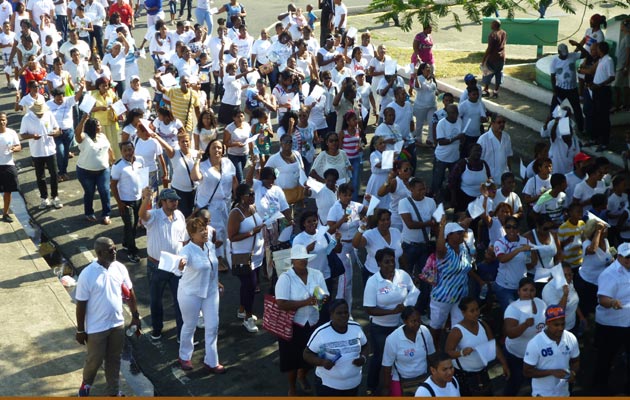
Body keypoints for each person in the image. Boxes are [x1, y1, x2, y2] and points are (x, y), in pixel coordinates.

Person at [75, 237, 141, 397]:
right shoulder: (87, 274)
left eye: (114, 248)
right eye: (110, 250)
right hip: (96, 328)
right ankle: (86, 385)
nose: (114, 252)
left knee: (114, 359)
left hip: (117, 324)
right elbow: (81, 304)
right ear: (99, 253)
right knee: (94, 360)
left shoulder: (119, 268)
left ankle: (113, 392)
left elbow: (130, 293)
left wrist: (135, 316)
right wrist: (80, 330)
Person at [363, 248, 419, 395]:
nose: (390, 264)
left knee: (397, 356)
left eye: (392, 261)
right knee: (380, 357)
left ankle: (396, 385)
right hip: (380, 328)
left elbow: (413, 291)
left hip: (400, 326)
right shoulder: (373, 282)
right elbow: (369, 309)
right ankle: (372, 386)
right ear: (379, 263)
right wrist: (391, 312)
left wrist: (405, 305)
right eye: (386, 262)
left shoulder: (403, 275)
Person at [276, 244, 329, 396]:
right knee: (292, 360)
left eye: (305, 259)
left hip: (313, 322)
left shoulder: (316, 274)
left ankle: (302, 375)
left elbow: (325, 294)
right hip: (293, 324)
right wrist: (305, 302)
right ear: (292, 261)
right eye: (299, 259)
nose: (303, 261)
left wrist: (321, 299)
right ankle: (292, 387)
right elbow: (281, 304)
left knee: (311, 355)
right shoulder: (285, 278)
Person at [176, 217, 226, 374]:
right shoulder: (186, 251)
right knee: (189, 325)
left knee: (213, 326)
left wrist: (217, 282)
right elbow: (179, 268)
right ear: (191, 234)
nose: (205, 232)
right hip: (190, 293)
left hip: (210, 292)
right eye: (200, 230)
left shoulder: (210, 245)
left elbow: (212, 266)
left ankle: (211, 361)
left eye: (205, 228)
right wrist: (181, 265)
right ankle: (184, 356)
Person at [139, 187, 186, 341]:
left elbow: (184, 239)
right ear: (163, 202)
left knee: (180, 300)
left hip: (176, 265)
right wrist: (146, 198)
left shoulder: (179, 215)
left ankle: (181, 334)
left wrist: (185, 257)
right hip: (157, 266)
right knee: (155, 300)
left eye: (176, 200)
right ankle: (157, 329)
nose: (175, 203)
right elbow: (142, 215)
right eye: (172, 200)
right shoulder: (154, 216)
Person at [429, 218, 483, 347]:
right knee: (436, 327)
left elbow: (465, 269)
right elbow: (440, 247)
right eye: (457, 233)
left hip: (460, 296)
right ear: (449, 236)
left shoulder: (463, 248)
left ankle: (455, 351)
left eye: (461, 232)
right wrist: (442, 227)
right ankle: (433, 350)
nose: (461, 234)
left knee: (459, 326)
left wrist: (479, 281)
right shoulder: (444, 251)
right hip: (443, 297)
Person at [445, 297, 509, 396]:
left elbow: (493, 345)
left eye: (477, 309)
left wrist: (504, 363)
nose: (476, 313)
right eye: (472, 311)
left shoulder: (483, 324)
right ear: (463, 312)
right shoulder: (457, 331)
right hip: (465, 377)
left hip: (482, 373)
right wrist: (461, 353)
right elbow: (448, 352)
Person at [303, 299, 369, 396]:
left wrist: (363, 358)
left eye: (346, 312)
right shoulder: (321, 332)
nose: (343, 315)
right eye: (339, 313)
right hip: (328, 386)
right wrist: (322, 362)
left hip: (353, 385)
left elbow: (366, 345)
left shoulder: (356, 328)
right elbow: (307, 354)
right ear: (331, 314)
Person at [190, 139, 238, 264]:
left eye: (219, 147)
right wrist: (197, 160)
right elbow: (195, 177)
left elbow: (234, 180)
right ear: (209, 151)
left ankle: (225, 255)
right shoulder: (203, 165)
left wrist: (237, 196)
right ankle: (216, 258)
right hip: (209, 207)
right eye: (214, 148)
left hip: (225, 204)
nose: (217, 150)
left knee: (225, 230)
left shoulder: (228, 163)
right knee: (214, 231)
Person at [592, 242, 630, 395]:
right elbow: (603, 299)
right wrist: (612, 302)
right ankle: (600, 387)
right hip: (611, 324)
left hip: (628, 322)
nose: (629, 260)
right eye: (626, 257)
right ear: (619, 257)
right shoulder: (609, 274)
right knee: (606, 357)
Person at [227, 183, 265, 333]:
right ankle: (247, 318)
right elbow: (232, 237)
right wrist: (251, 233)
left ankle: (242, 309)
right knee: (250, 286)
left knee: (247, 286)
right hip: (242, 256)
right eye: (249, 194)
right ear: (241, 196)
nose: (253, 197)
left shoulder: (252, 208)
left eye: (253, 194)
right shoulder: (236, 213)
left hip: (256, 255)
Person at [502, 277, 547, 396]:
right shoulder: (512, 309)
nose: (528, 293)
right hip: (517, 355)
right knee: (514, 383)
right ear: (518, 291)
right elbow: (510, 333)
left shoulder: (541, 303)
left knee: (536, 384)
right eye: (525, 290)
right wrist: (525, 325)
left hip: (535, 355)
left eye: (531, 290)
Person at [523, 305, 580, 397]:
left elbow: (576, 361)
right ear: (547, 323)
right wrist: (551, 372)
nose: (560, 328)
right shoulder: (535, 343)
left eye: (562, 324)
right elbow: (527, 371)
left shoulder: (571, 338)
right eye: (556, 325)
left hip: (564, 393)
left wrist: (573, 373)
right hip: (542, 394)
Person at [19, 97, 63, 210]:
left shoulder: (48, 114)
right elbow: (23, 135)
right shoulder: (27, 118)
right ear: (33, 111)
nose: (41, 115)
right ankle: (44, 198)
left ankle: (55, 197)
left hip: (50, 150)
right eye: (39, 113)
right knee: (40, 176)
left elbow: (58, 130)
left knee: (54, 174)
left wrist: (55, 133)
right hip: (37, 152)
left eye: (42, 113)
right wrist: (32, 136)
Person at [381, 306, 435, 396]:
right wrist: (386, 387)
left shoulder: (425, 331)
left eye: (419, 320)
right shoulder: (392, 339)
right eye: (413, 321)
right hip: (401, 380)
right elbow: (387, 367)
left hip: (423, 377)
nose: (417, 324)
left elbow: (432, 356)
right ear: (405, 321)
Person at [75, 113, 114, 225]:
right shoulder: (84, 138)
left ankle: (106, 214)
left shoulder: (102, 136)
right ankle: (89, 213)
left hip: (103, 170)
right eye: (98, 125)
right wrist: (83, 120)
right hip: (85, 172)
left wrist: (112, 160)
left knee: (105, 191)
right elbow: (77, 133)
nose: (100, 127)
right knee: (89, 192)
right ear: (92, 127)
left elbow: (109, 148)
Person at [494, 216, 537, 313]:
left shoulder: (525, 241)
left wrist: (532, 251)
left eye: (514, 227)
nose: (511, 230)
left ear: (518, 228)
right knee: (511, 314)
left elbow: (529, 264)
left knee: (524, 313)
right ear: (504, 228)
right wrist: (519, 250)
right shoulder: (500, 242)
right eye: (508, 227)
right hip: (504, 287)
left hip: (521, 287)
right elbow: (502, 259)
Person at [110, 141, 143, 263]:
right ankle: (132, 252)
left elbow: (142, 178)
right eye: (125, 150)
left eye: (130, 149)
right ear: (121, 152)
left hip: (138, 199)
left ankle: (125, 243)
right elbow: (113, 185)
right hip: (126, 201)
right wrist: (119, 203)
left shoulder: (140, 161)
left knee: (133, 225)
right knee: (130, 226)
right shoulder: (118, 166)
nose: (128, 152)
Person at [432, 104, 464, 202]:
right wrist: (456, 138)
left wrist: (462, 140)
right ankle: (434, 197)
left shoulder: (459, 121)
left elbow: (461, 135)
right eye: (452, 113)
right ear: (447, 113)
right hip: (442, 157)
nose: (455, 115)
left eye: (456, 112)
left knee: (453, 180)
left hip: (454, 157)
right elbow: (441, 142)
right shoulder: (441, 124)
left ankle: (452, 199)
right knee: (438, 179)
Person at [542, 264, 585, 334]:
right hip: (558, 330)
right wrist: (565, 295)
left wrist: (581, 316)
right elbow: (557, 312)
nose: (568, 277)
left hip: (572, 325)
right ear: (558, 276)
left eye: (570, 274)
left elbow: (573, 301)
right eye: (565, 275)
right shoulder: (549, 289)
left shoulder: (569, 282)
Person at [449, 143, 491, 213]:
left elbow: (489, 179)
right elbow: (452, 181)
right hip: (463, 199)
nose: (478, 153)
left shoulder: (484, 164)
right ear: (470, 152)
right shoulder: (462, 164)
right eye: (475, 151)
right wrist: (453, 198)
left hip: (479, 199)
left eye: (480, 151)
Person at [550, 44, 584, 133]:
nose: (565, 56)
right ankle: (551, 127)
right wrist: (554, 90)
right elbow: (553, 76)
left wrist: (578, 45)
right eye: (563, 54)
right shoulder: (554, 61)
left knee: (577, 110)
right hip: (560, 89)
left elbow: (585, 54)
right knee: (554, 109)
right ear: (559, 52)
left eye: (566, 54)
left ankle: (581, 129)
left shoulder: (572, 56)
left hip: (572, 89)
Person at [589, 41, 615, 152]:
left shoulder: (608, 60)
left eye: (598, 48)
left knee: (603, 117)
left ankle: (604, 142)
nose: (596, 50)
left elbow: (612, 77)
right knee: (595, 115)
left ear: (601, 49)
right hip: (596, 90)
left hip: (603, 91)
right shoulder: (601, 60)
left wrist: (599, 85)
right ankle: (596, 138)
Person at [0, 112, 21, 223]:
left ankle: (5, 214)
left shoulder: (11, 133)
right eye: (0, 120)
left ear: (6, 120)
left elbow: (18, 146)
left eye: (3, 119)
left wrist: (14, 149)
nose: (1, 122)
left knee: (8, 191)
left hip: (8, 164)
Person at [481, 19, 506, 98]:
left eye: (492, 24)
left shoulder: (492, 35)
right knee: (498, 74)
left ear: (495, 25)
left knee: (487, 73)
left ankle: (486, 90)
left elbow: (489, 48)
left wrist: (484, 59)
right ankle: (496, 92)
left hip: (493, 58)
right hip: (501, 57)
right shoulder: (503, 33)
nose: (490, 25)